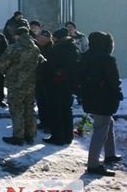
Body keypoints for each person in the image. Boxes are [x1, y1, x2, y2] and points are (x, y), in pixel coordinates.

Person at [81, 32, 123, 177]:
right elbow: (113, 80)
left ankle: (110, 153)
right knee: (100, 130)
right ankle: (93, 164)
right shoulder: (107, 59)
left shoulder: (85, 56)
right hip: (104, 99)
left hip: (90, 98)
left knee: (108, 123)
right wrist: (118, 93)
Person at [0, 27, 43, 145]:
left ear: (18, 35)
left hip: (15, 83)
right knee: (29, 109)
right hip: (31, 83)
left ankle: (18, 136)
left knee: (16, 109)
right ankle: (30, 135)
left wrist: (7, 72)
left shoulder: (14, 48)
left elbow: (3, 64)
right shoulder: (35, 48)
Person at [42, 27, 80, 146]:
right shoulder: (73, 48)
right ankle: (68, 136)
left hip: (57, 83)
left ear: (58, 38)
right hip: (69, 84)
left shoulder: (58, 49)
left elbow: (51, 66)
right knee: (67, 110)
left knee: (56, 111)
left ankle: (57, 137)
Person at [35, 29, 53, 132]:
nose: (39, 40)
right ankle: (43, 121)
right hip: (38, 78)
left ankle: (50, 124)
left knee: (48, 103)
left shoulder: (52, 48)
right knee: (40, 102)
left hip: (48, 79)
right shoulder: (36, 47)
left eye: (42, 39)